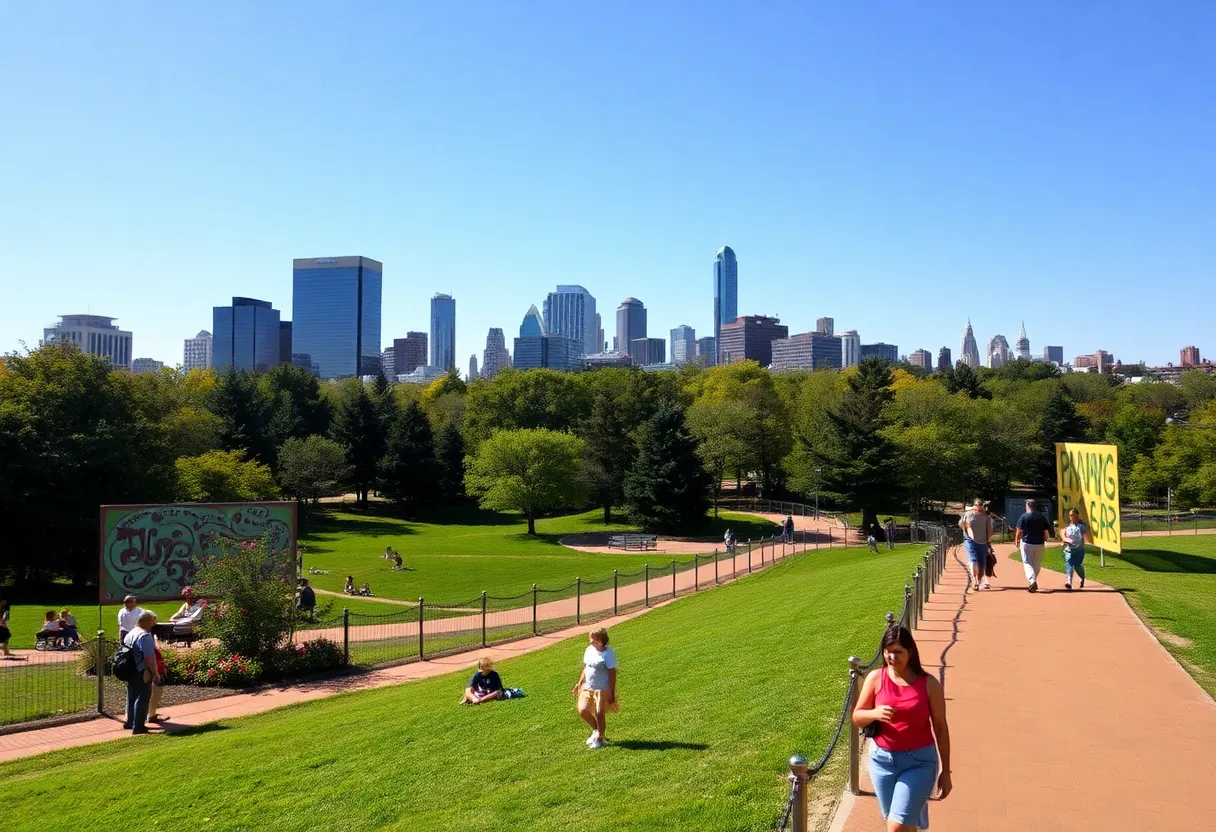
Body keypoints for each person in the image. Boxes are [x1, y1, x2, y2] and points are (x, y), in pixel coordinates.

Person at [852, 625, 952, 832]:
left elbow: (941, 727)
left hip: (919, 762)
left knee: (896, 826)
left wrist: (946, 772)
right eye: (888, 651)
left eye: (898, 652)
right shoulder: (876, 678)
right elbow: (857, 717)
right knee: (899, 822)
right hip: (882, 761)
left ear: (910, 652)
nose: (892, 657)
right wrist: (874, 713)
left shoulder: (929, 684)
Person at [572, 627, 618, 749]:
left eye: (593, 639)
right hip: (588, 687)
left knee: (599, 713)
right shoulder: (589, 650)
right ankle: (596, 730)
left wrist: (611, 691)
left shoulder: (608, 654)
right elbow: (586, 668)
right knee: (583, 710)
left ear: (601, 640)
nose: (590, 641)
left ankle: (600, 738)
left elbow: (612, 674)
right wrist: (578, 683)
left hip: (601, 689)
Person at [122, 611, 161, 734]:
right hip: (142, 670)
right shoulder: (144, 635)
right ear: (145, 621)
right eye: (152, 621)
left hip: (129, 669)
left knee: (132, 696)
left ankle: (130, 722)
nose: (153, 625)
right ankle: (138, 726)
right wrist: (155, 673)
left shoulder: (130, 633)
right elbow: (148, 657)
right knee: (143, 696)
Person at [1015, 498, 1054, 593]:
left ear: (1027, 506)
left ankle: (1032, 581)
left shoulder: (1024, 516)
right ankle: (1033, 581)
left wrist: (1016, 540)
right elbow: (1046, 531)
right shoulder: (1042, 517)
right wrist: (1046, 539)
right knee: (1036, 563)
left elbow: (1019, 530)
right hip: (1040, 543)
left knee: (1027, 562)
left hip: (1027, 543)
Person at [959, 498, 994, 591]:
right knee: (973, 559)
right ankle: (974, 580)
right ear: (974, 506)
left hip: (983, 542)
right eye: (977, 508)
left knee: (982, 563)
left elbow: (989, 529)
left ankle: (979, 580)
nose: (979, 511)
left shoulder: (986, 515)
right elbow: (968, 527)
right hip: (970, 540)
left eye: (981, 509)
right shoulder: (968, 514)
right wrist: (972, 537)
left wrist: (989, 540)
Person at [1060, 508, 1090, 591]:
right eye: (1070, 515)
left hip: (1079, 549)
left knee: (1077, 566)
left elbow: (1087, 532)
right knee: (1069, 563)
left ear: (1077, 515)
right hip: (1069, 549)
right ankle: (1069, 581)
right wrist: (1064, 542)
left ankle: (1082, 579)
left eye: (1073, 515)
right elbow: (1065, 536)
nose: (1071, 517)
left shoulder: (1081, 526)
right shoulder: (1068, 527)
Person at [147, 636, 169, 723]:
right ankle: (151, 715)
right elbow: (148, 655)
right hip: (149, 667)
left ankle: (150, 714)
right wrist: (155, 672)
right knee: (157, 689)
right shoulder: (144, 635)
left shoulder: (134, 633)